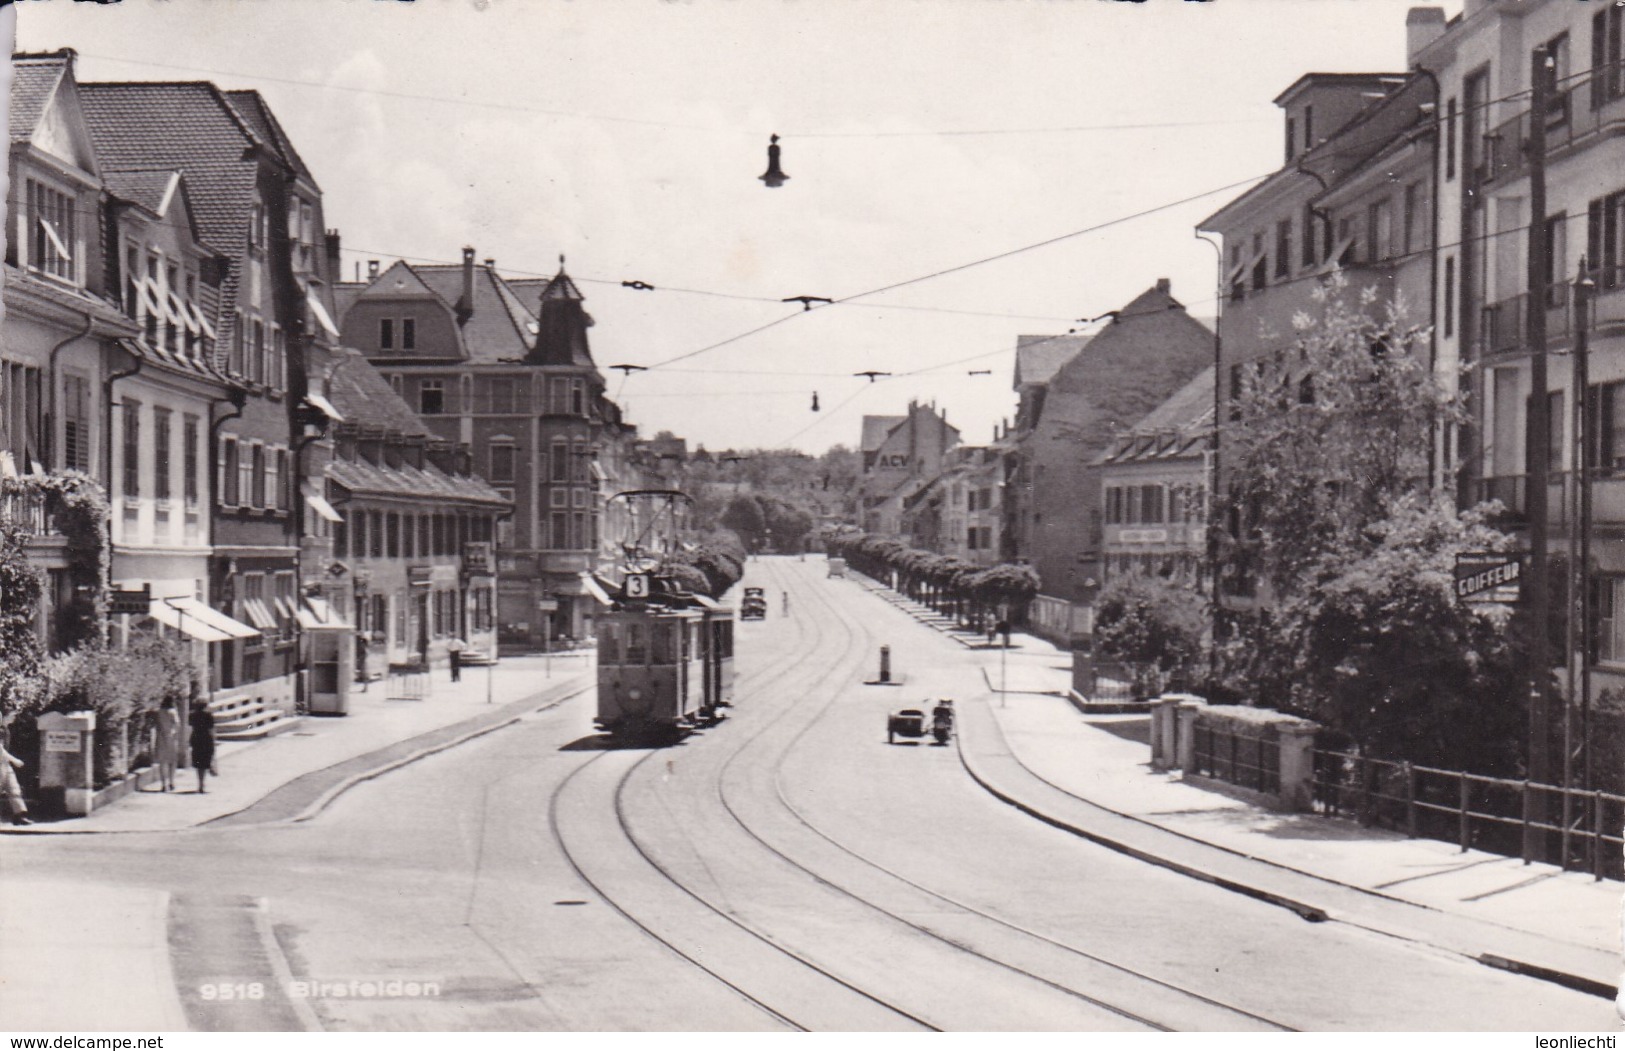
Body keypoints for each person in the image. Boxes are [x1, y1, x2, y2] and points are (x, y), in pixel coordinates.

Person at [0, 727, 31, 825]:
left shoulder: (5, 730)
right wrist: (15, 760)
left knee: (14, 789)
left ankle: (19, 815)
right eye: (12, 714)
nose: (14, 717)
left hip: (5, 765)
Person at [153, 698, 180, 792]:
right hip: (171, 738)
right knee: (172, 761)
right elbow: (177, 724)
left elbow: (156, 725)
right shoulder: (173, 712)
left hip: (160, 737)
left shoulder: (158, 712)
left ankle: (163, 784)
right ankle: (171, 782)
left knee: (162, 761)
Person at [189, 700, 216, 794]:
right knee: (205, 762)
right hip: (206, 739)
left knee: (198, 763)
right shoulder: (208, 715)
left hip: (196, 739)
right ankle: (202, 784)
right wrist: (213, 740)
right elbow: (211, 729)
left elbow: (191, 728)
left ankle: (200, 783)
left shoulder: (192, 715)